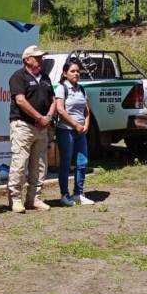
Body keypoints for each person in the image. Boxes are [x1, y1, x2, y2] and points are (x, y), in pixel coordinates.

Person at [7, 45, 56, 213]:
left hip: (42, 127)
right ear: (27, 60)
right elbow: (20, 101)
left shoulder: (45, 77)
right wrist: (39, 117)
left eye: (42, 57)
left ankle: (34, 199)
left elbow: (53, 99)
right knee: (20, 164)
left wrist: (48, 117)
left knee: (40, 165)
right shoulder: (18, 76)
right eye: (38, 57)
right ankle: (15, 199)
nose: (41, 60)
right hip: (23, 125)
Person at [54, 58, 93, 206]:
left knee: (82, 162)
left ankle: (79, 193)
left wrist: (86, 124)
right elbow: (60, 109)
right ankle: (64, 195)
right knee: (66, 162)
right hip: (66, 131)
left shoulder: (81, 89)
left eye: (78, 71)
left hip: (81, 131)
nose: (76, 73)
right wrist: (75, 124)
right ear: (65, 73)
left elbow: (87, 110)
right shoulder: (62, 88)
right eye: (72, 71)